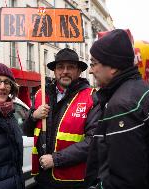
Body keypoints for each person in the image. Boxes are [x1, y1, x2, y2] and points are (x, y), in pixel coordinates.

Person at [85, 29, 149, 189]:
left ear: (113, 67)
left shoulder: (123, 105)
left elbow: (125, 181)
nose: (90, 70)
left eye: (94, 63)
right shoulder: (139, 91)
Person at [23, 48, 101, 189]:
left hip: (74, 181)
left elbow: (94, 141)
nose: (65, 71)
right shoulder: (41, 94)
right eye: (60, 67)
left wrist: (55, 159)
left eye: (70, 67)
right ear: (55, 71)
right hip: (43, 178)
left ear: (79, 71)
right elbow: (27, 131)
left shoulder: (91, 97)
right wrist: (33, 116)